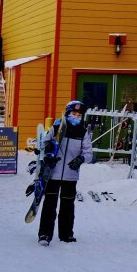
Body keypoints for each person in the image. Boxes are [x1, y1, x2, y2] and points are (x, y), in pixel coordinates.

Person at [38, 101, 92, 245]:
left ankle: (66, 234)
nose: (76, 117)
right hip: (53, 172)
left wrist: (81, 159)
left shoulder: (83, 132)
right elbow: (43, 144)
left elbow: (89, 153)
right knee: (50, 204)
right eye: (73, 114)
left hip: (71, 174)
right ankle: (45, 234)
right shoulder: (56, 128)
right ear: (67, 114)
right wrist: (49, 150)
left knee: (68, 206)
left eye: (79, 115)